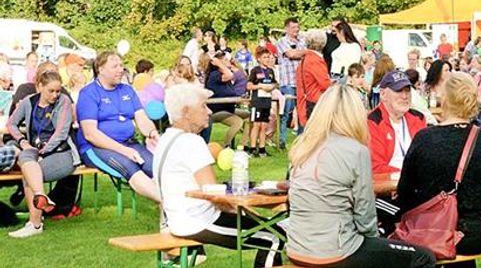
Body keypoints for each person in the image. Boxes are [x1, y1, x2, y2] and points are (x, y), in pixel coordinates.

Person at [284, 84, 434, 267]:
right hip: (336, 250)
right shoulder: (356, 151)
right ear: (355, 114)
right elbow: (365, 214)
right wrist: (374, 241)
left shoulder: (302, 147)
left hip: (297, 248)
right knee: (423, 257)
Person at [155, 83, 285, 266]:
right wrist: (249, 212)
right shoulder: (191, 142)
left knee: (268, 228)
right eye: (203, 106)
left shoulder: (165, 138)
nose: (209, 111)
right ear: (186, 111)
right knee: (274, 236)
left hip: (176, 218)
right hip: (199, 221)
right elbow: (214, 195)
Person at [397, 72, 481, 267]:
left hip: (431, 231)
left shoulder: (424, 139)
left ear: (445, 99)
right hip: (477, 234)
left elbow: (404, 194)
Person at [76, 51, 160, 202]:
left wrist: (152, 132)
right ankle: (170, 205)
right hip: (96, 148)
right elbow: (90, 134)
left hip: (128, 143)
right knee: (129, 166)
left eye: (121, 65)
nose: (121, 69)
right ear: (101, 69)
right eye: (115, 66)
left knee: (157, 168)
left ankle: (167, 218)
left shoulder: (127, 90)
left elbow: (141, 118)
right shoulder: (88, 93)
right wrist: (124, 151)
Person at [5, 70, 79, 238]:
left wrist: (42, 152)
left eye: (58, 91)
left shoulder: (64, 102)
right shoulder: (28, 102)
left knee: (29, 174)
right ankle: (41, 197)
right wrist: (22, 141)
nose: (55, 95)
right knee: (26, 159)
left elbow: (61, 133)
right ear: (39, 87)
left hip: (61, 152)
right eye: (51, 91)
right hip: (34, 149)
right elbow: (11, 124)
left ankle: (35, 223)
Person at [367, 71, 427, 175]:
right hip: (387, 186)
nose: (405, 96)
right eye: (399, 91)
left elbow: (427, 156)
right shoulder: (372, 122)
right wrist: (407, 177)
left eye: (407, 91)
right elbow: (375, 167)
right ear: (383, 94)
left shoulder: (419, 118)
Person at [275, 18, 310, 149]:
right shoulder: (282, 42)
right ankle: (282, 141)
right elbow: (291, 54)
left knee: (302, 112)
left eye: (297, 27)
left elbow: (299, 53)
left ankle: (301, 139)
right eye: (294, 27)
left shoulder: (302, 40)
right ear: (287, 29)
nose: (297, 29)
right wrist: (306, 53)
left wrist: (302, 53)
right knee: (285, 112)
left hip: (302, 82)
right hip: (288, 82)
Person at [201, 53, 245, 148]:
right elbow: (230, 75)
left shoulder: (224, 76)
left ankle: (243, 145)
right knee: (238, 122)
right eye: (224, 60)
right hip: (217, 111)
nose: (228, 61)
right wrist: (219, 64)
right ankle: (226, 146)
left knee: (249, 116)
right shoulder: (215, 75)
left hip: (229, 109)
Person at [296, 31, 333, 126]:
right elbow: (325, 84)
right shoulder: (315, 60)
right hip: (316, 102)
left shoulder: (305, 58)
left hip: (308, 100)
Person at [246, 47, 278, 157]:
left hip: (267, 101)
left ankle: (262, 149)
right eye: (265, 57)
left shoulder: (270, 71)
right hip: (257, 101)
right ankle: (252, 148)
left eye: (268, 57)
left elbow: (275, 83)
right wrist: (260, 86)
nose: (268, 59)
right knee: (256, 125)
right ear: (259, 59)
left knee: (264, 125)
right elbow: (249, 85)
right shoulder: (255, 70)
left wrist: (272, 87)